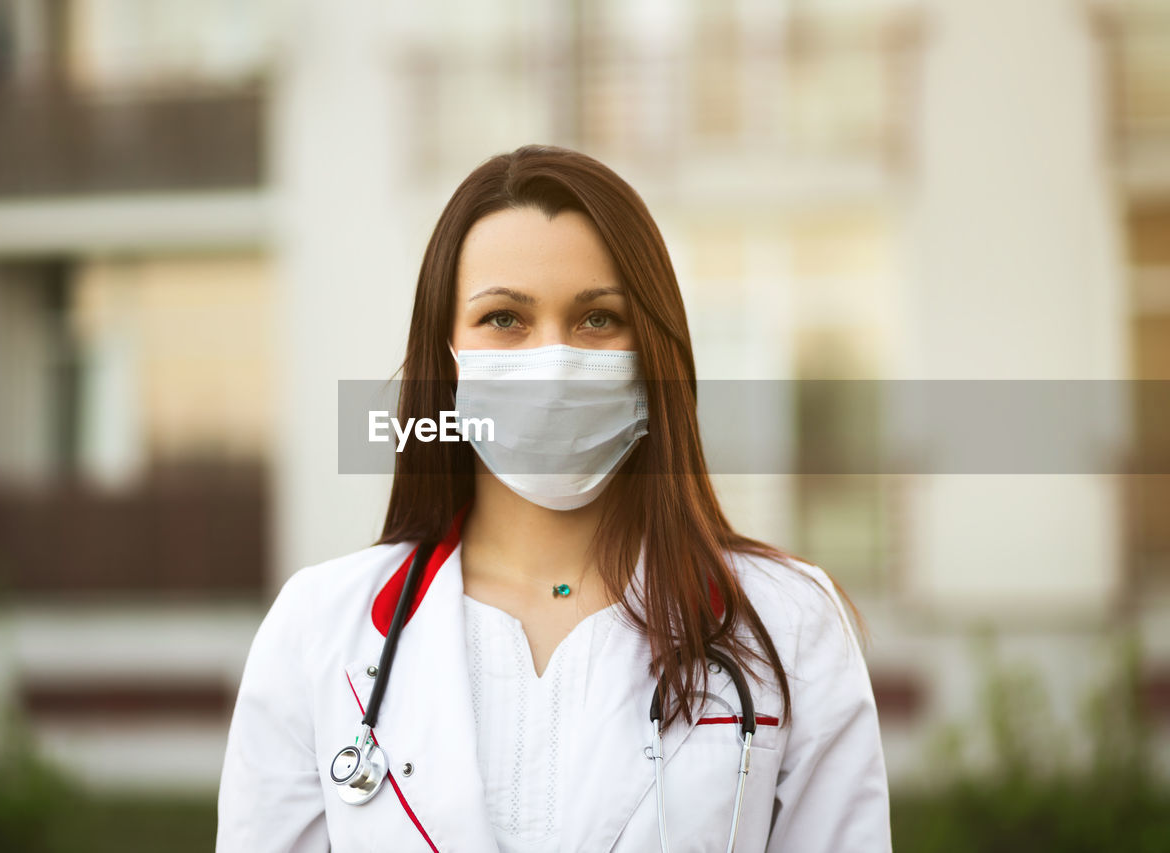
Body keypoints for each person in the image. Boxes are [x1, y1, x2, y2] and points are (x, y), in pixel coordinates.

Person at [216, 144, 891, 852]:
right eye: (504, 318)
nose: (552, 360)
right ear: (444, 361)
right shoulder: (319, 629)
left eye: (598, 319)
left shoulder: (790, 624)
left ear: (653, 354)